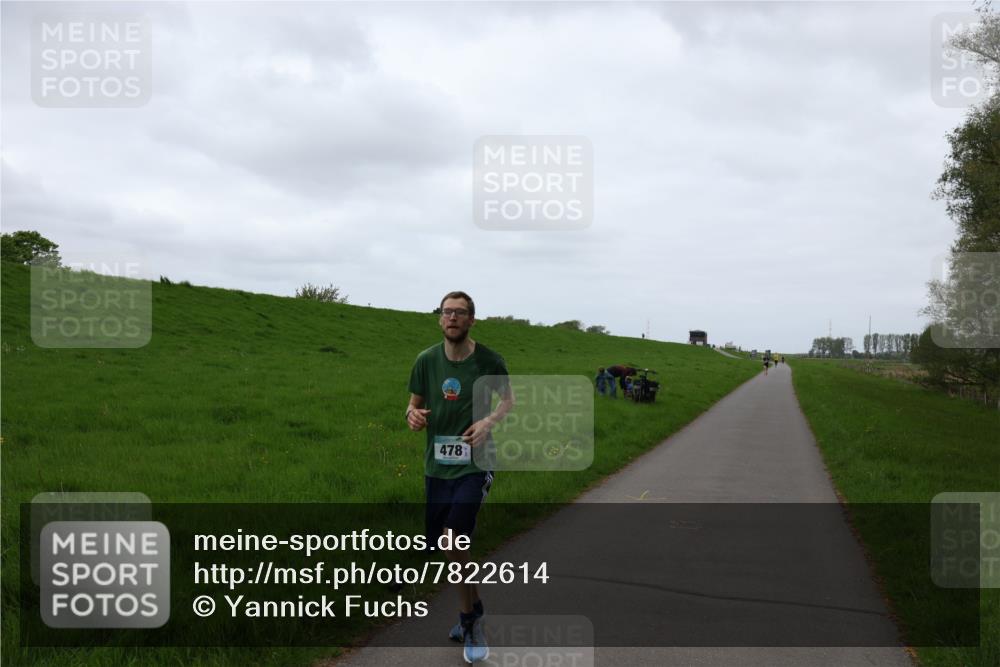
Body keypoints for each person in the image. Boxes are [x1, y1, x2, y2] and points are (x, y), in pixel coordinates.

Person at [406, 291, 514, 664]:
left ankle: (470, 624)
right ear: (440, 318)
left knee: (454, 539)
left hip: (476, 463)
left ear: (471, 319)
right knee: (448, 546)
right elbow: (414, 405)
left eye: (460, 312)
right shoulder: (426, 360)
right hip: (437, 468)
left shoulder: (489, 361)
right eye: (446, 311)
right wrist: (412, 416)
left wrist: (488, 422)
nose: (452, 317)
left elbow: (508, 401)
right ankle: (474, 610)